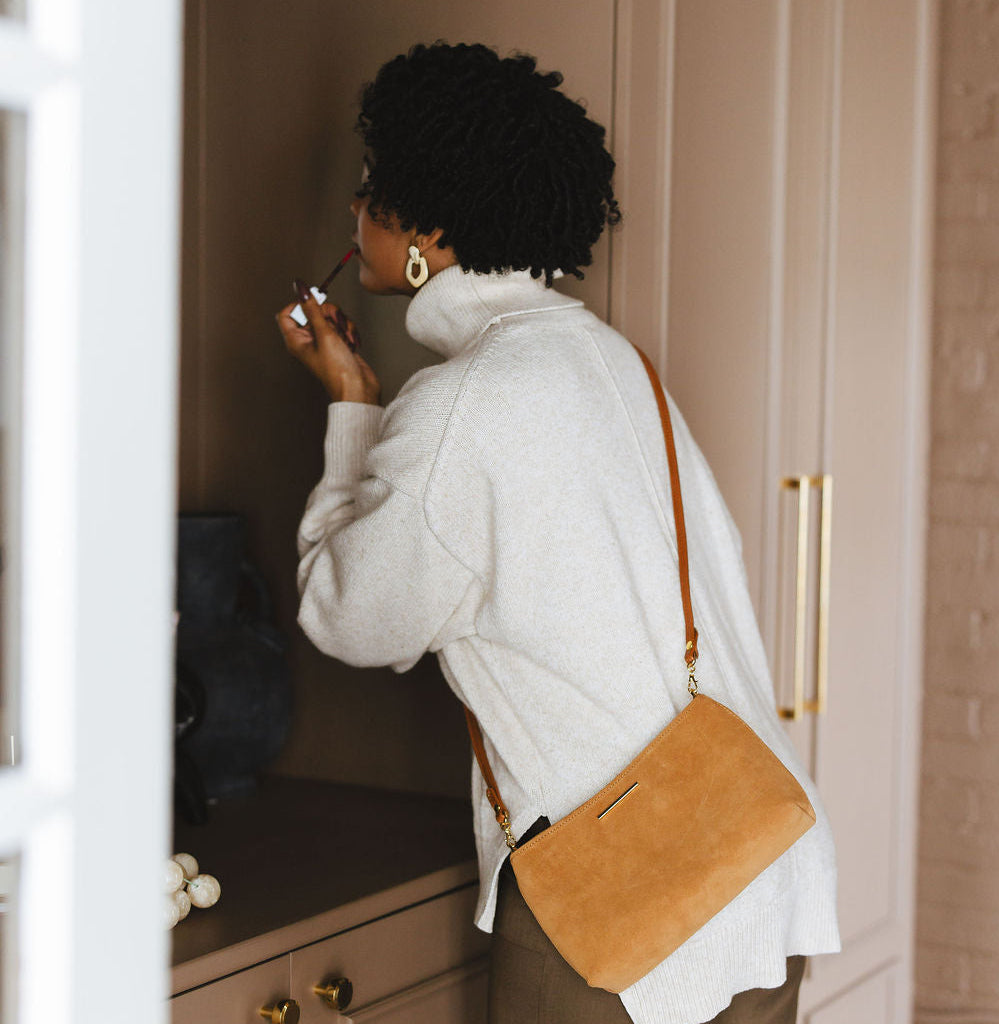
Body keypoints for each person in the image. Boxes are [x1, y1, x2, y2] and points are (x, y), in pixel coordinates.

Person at [275, 41, 840, 1024]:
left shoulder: (463, 403)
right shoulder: (609, 360)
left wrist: (351, 408)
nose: (353, 213)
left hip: (631, 919)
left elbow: (348, 616)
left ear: (426, 231)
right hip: (760, 857)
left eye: (370, 190)